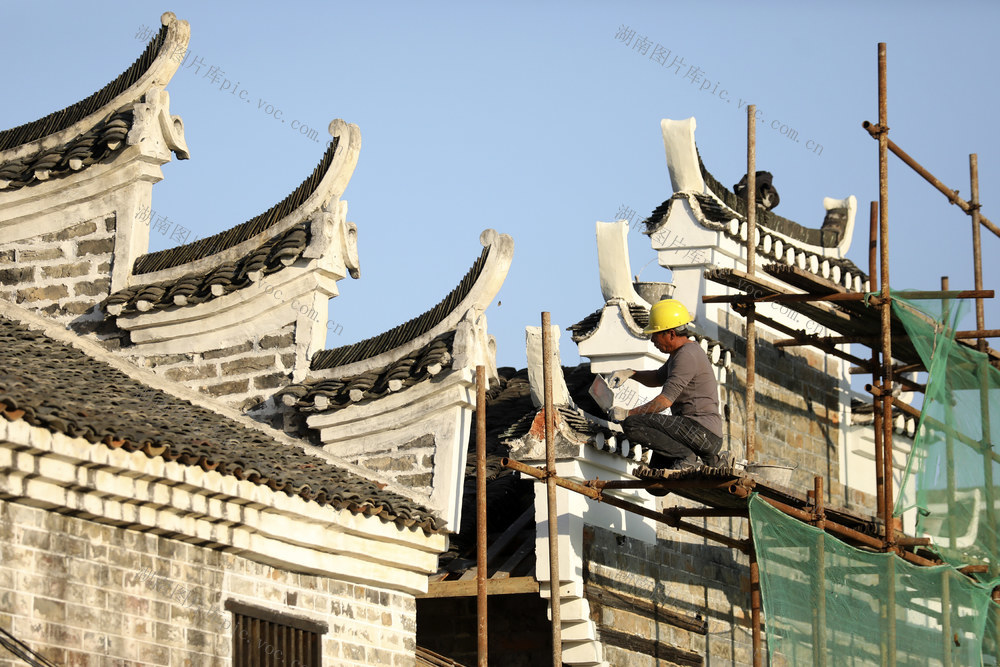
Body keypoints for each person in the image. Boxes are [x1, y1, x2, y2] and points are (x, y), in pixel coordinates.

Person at [606, 299, 726, 471]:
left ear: (670, 333)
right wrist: (631, 373)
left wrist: (628, 413)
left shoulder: (687, 355)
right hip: (696, 432)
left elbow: (664, 402)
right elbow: (657, 377)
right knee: (657, 478)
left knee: (633, 424)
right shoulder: (680, 353)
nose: (653, 340)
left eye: (656, 334)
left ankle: (687, 456)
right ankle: (699, 458)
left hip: (701, 432)